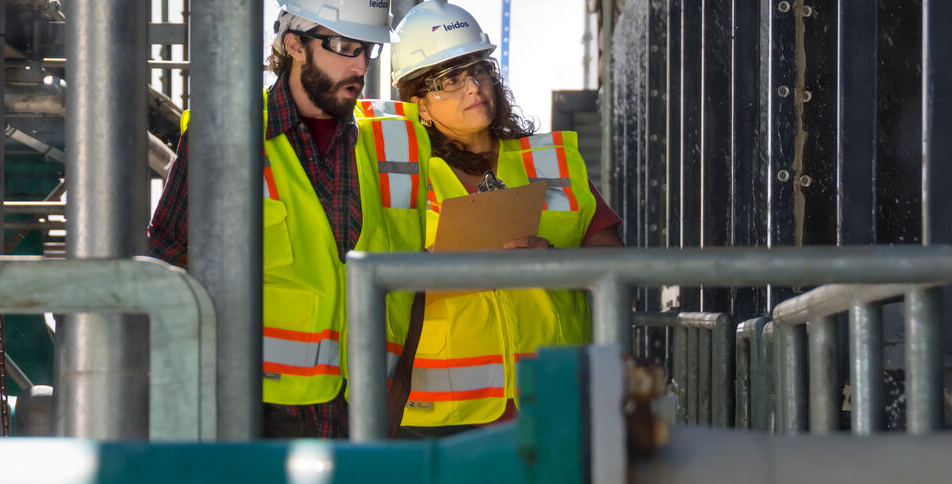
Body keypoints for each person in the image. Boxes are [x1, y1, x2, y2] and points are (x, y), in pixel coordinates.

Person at [148, 0, 433, 438]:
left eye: (368, 50)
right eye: (344, 46)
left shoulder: (393, 142)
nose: (360, 65)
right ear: (296, 45)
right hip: (255, 413)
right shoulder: (226, 136)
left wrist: (402, 384)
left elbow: (411, 279)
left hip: (367, 407)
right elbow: (167, 259)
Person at [387, 0, 624, 437]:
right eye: (450, 80)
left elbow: (617, 267)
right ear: (418, 103)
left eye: (478, 70)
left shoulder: (552, 162)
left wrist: (555, 262)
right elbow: (367, 277)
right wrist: (431, 267)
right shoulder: (400, 175)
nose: (473, 87)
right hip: (442, 414)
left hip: (553, 403)